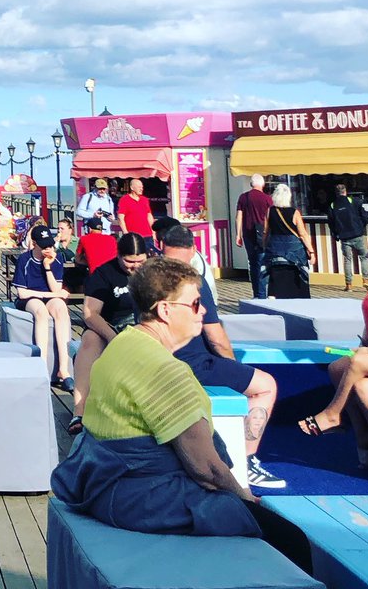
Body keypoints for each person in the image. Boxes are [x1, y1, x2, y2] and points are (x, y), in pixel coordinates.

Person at [51, 257, 260, 536]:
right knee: (273, 531)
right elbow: (206, 469)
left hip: (99, 488)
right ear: (165, 310)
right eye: (196, 303)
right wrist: (246, 502)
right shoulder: (166, 372)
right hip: (142, 499)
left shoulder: (122, 343)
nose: (203, 311)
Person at [160, 226, 285, 489]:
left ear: (161, 246)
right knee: (265, 386)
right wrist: (233, 367)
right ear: (193, 251)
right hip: (194, 365)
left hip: (158, 363)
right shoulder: (191, 280)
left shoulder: (147, 278)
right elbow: (216, 338)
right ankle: (247, 461)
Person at [297, 229, 368, 479]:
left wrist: (367, 350)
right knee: (344, 373)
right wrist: (365, 341)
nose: (367, 256)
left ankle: (333, 415)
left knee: (357, 361)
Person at [68, 233, 149, 435]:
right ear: (119, 256)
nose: (135, 266)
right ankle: (79, 409)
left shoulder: (153, 272)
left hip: (144, 323)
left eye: (140, 261)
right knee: (89, 340)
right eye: (130, 262)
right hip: (109, 323)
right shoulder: (104, 274)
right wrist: (113, 337)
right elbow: (90, 313)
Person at [13, 224, 74, 390]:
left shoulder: (57, 258)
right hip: (30, 298)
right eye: (44, 245)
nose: (48, 248)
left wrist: (48, 267)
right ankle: (41, 365)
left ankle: (63, 368)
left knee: (61, 309)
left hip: (49, 295)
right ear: (34, 244)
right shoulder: (25, 260)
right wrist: (54, 295)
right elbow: (22, 293)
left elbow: (56, 289)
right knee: (40, 311)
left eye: (50, 244)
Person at [263, 183, 314, 298]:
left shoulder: (269, 211)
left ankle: (274, 296)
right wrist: (311, 252)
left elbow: (266, 231)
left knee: (275, 278)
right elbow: (303, 234)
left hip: (275, 251)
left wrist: (264, 246)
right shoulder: (295, 213)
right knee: (297, 278)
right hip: (294, 253)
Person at [328, 183, 368, 292]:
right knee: (364, 257)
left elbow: (331, 223)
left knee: (347, 260)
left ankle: (349, 285)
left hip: (344, 237)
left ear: (336, 193)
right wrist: (361, 227)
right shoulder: (354, 201)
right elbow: (364, 216)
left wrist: (336, 234)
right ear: (345, 191)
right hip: (357, 234)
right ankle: (366, 281)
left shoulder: (333, 205)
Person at [234, 174, 271, 299]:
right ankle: (262, 294)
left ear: (251, 184)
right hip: (263, 235)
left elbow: (239, 217)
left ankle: (257, 293)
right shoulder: (267, 199)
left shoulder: (243, 197)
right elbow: (269, 218)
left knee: (253, 264)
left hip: (248, 234)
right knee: (262, 263)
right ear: (263, 184)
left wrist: (238, 234)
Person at [116, 179, 156, 251]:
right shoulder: (124, 200)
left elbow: (149, 216)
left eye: (142, 187)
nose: (141, 189)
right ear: (132, 188)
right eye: (139, 187)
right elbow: (120, 218)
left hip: (147, 235)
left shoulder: (145, 200)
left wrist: (153, 232)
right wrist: (126, 233)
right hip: (133, 236)